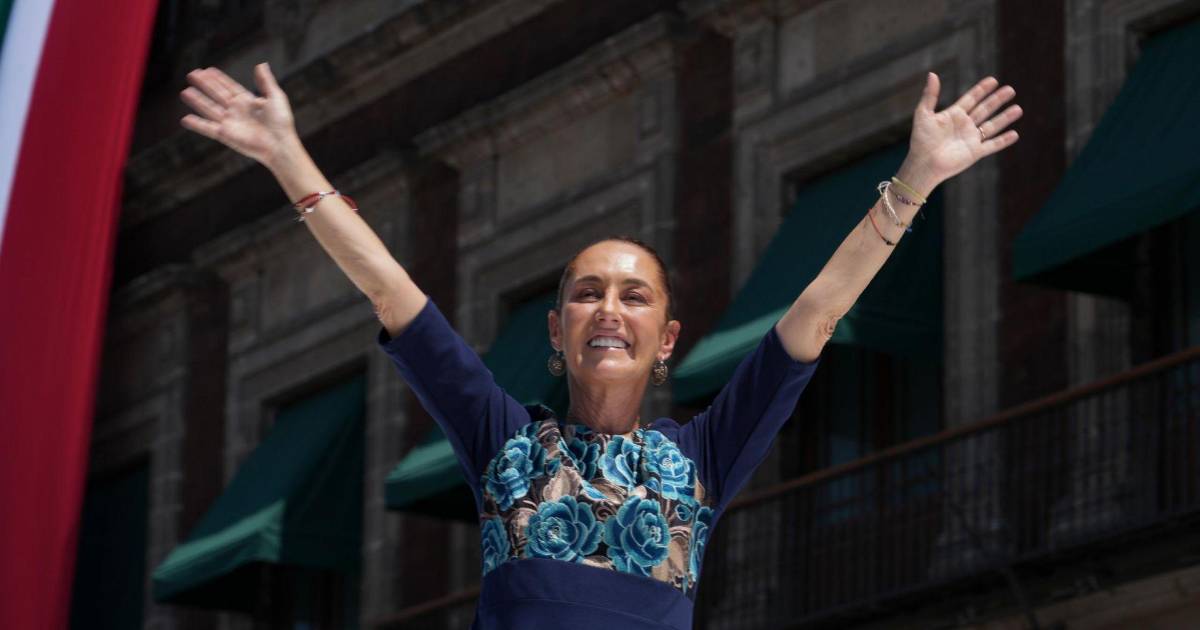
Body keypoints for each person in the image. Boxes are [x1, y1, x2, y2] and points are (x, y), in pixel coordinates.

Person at [180, 61, 1020, 628]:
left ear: (667, 340)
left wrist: (914, 184)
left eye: (633, 294)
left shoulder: (700, 465)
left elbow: (816, 314)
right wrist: (287, 157)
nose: (608, 308)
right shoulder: (503, 444)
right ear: (557, 332)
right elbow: (389, 288)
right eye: (586, 294)